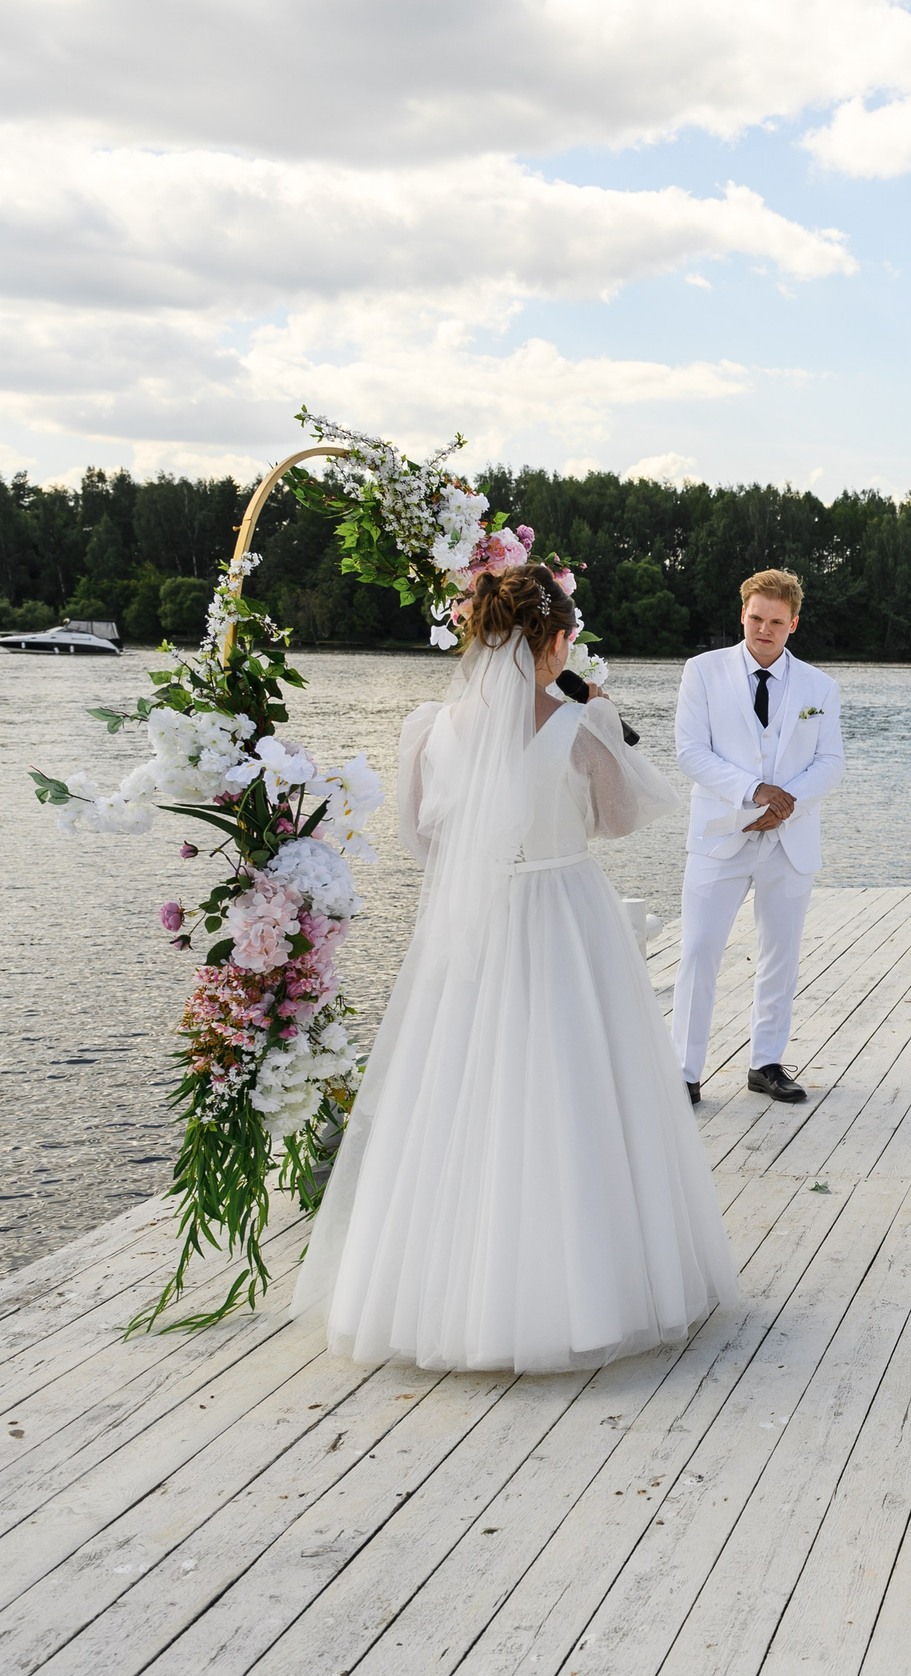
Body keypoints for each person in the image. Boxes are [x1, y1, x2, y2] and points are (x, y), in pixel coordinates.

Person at [293, 566, 740, 1373]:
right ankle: (585, 1289)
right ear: (556, 640)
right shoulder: (578, 724)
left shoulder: (430, 728)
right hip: (566, 917)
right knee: (575, 1088)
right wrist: (593, 723)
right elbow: (620, 818)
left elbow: (425, 840)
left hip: (475, 924)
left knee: (464, 1088)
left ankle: (446, 1295)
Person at [670, 569, 846, 1108]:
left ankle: (765, 1064)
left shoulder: (820, 687)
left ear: (793, 623)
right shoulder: (702, 672)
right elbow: (689, 751)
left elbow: (831, 762)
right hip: (720, 835)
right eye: (755, 618)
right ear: (741, 614)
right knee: (699, 950)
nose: (763, 630)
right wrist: (754, 791)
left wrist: (784, 803)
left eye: (775, 622)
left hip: (789, 841)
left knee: (780, 953)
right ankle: (683, 1071)